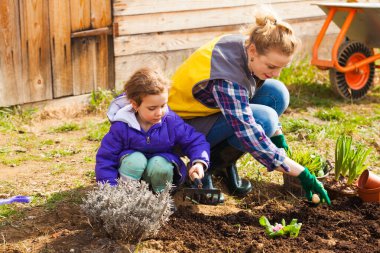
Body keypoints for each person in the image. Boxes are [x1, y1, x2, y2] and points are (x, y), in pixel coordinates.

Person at [168, 8, 331, 204]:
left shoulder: (245, 46)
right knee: (265, 119)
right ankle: (205, 169)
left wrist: (278, 135)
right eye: (271, 66)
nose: (277, 72)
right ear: (253, 51)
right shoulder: (228, 79)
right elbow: (250, 133)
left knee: (277, 93)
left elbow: (248, 92)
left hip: (208, 110)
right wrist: (302, 173)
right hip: (179, 128)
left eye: (281, 67)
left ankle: (224, 165)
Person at [95, 67, 210, 193]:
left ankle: (161, 199)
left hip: (159, 174)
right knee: (135, 160)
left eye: (163, 105)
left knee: (160, 164)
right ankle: (127, 196)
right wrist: (109, 189)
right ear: (135, 105)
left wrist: (199, 162)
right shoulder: (122, 127)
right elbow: (106, 158)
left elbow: (195, 140)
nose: (159, 112)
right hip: (131, 175)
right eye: (152, 108)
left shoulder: (171, 122)